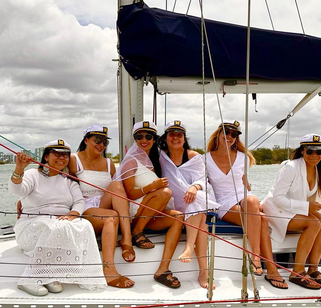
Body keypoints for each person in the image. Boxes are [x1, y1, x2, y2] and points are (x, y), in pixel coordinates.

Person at [9, 140, 106, 296]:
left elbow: (79, 202)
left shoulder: (68, 180)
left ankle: (51, 274)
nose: (62, 158)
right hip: (31, 226)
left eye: (65, 155)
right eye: (57, 154)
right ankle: (29, 279)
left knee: (85, 225)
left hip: (60, 222)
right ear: (46, 157)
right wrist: (19, 170)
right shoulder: (32, 175)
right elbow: (17, 190)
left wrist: (72, 215)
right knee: (53, 226)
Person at [205, 121, 287, 290]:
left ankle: (255, 257)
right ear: (218, 134)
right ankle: (270, 269)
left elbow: (245, 185)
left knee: (251, 200)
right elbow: (201, 182)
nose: (229, 137)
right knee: (262, 220)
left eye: (234, 134)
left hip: (244, 198)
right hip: (224, 204)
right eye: (226, 133)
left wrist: (247, 184)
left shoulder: (243, 157)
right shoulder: (205, 159)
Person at [261, 133, 321, 290]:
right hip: (275, 209)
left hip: (293, 208)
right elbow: (277, 198)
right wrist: (307, 207)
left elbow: (310, 199)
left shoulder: (319, 170)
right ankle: (297, 272)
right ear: (302, 151)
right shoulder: (290, 168)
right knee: (314, 224)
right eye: (310, 151)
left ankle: (313, 269)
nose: (314, 155)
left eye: (319, 151)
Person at [116, 121, 185, 289]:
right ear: (135, 139)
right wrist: (152, 187)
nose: (144, 140)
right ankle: (136, 232)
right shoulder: (130, 161)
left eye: (149, 136)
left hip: (149, 214)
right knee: (165, 192)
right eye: (139, 136)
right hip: (135, 213)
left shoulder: (150, 160)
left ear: (154, 139)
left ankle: (163, 269)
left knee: (178, 217)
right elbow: (130, 193)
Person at [68, 125, 134, 288]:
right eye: (97, 140)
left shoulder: (109, 163)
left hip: (104, 203)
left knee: (117, 185)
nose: (101, 145)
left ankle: (127, 240)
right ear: (86, 140)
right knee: (111, 217)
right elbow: (60, 183)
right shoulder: (73, 159)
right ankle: (109, 271)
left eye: (104, 141)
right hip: (85, 205)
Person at [159, 120, 219, 289]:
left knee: (197, 200)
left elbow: (202, 180)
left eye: (179, 135)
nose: (175, 138)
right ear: (166, 137)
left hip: (191, 200)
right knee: (201, 222)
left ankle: (189, 246)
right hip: (171, 202)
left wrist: (194, 187)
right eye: (172, 134)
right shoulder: (160, 156)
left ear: (184, 139)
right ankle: (204, 272)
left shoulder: (194, 157)